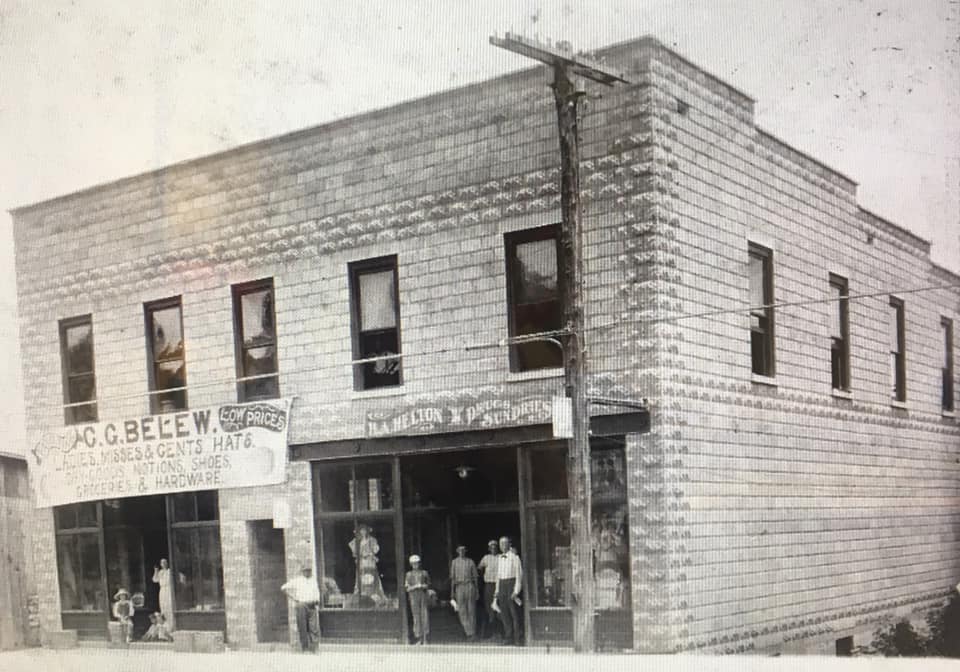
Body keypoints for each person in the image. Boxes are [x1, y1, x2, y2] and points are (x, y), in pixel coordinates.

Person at [281, 566, 321, 652]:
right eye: (306, 571)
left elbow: (317, 592)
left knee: (314, 627)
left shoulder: (313, 581)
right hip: (301, 605)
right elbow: (283, 588)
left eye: (309, 570)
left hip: (312, 605)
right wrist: (294, 598)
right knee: (302, 626)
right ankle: (305, 648)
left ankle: (315, 647)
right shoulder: (297, 581)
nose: (308, 572)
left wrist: (317, 600)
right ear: (302, 571)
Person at [494, 536, 523, 646]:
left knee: (514, 613)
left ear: (509, 544)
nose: (502, 546)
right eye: (501, 544)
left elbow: (519, 575)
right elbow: (498, 576)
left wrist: (516, 590)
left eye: (504, 543)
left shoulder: (515, 557)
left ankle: (517, 639)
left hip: (511, 584)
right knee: (504, 613)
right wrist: (497, 591)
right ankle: (508, 637)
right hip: (502, 586)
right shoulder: (499, 558)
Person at [348, 524, 387, 606]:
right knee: (361, 577)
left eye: (364, 530)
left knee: (372, 576)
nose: (363, 532)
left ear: (367, 531)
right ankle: (362, 593)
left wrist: (370, 553)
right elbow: (353, 548)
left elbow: (376, 549)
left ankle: (374, 594)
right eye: (361, 530)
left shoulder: (372, 540)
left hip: (370, 561)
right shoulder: (357, 541)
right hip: (362, 562)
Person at [450, 545, 478, 639]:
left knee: (471, 610)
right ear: (457, 551)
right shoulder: (454, 562)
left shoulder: (470, 562)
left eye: (463, 550)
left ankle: (473, 633)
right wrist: (452, 592)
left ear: (465, 551)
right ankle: (468, 632)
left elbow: (475, 578)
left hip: (469, 585)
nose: (461, 552)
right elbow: (452, 579)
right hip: (459, 586)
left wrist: (477, 590)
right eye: (459, 550)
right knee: (462, 611)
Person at [404, 554, 430, 645]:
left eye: (417, 563)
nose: (415, 565)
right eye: (413, 563)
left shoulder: (424, 573)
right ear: (411, 564)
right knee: (416, 617)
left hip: (422, 595)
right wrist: (415, 586)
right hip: (413, 596)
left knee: (424, 616)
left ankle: (425, 638)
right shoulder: (408, 574)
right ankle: (419, 638)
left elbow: (428, 585)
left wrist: (422, 586)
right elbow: (407, 588)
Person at [477, 540, 501, 640]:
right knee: (489, 609)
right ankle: (492, 633)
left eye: (495, 547)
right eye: (491, 547)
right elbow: (479, 568)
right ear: (489, 548)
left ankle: (500, 633)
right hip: (489, 585)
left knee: (499, 608)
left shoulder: (501, 557)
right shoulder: (486, 558)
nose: (493, 548)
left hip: (499, 585)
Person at [152, 558, 175, 631]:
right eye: (162, 563)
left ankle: (172, 626)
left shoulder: (170, 571)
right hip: (162, 590)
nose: (163, 564)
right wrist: (156, 571)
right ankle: (165, 626)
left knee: (170, 606)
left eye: (165, 562)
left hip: (168, 589)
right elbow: (155, 580)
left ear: (167, 563)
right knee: (163, 607)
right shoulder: (160, 572)